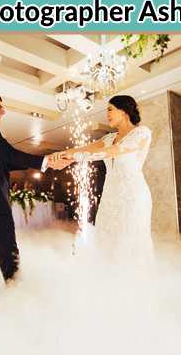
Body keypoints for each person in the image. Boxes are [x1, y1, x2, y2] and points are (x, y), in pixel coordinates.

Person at [0, 94, 69, 282]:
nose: (3, 112)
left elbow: (5, 162)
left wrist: (45, 163)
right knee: (8, 253)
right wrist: (44, 161)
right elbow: (10, 155)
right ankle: (16, 298)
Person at [55, 95, 153, 258]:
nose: (107, 114)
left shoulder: (142, 133)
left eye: (110, 109)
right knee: (107, 237)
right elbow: (84, 148)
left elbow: (114, 151)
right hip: (110, 194)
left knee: (130, 238)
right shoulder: (108, 138)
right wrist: (61, 155)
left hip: (133, 194)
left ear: (123, 111)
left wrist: (77, 157)